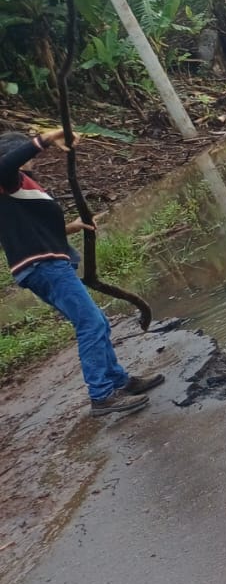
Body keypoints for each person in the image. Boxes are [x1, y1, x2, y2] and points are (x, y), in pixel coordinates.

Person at [0, 129, 163, 416]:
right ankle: (101, 395)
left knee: (96, 320)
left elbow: (30, 230)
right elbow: (6, 165)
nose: (32, 159)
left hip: (46, 265)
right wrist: (45, 140)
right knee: (90, 324)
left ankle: (118, 380)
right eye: (25, 153)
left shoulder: (19, 190)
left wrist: (70, 227)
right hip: (44, 267)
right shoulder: (8, 181)